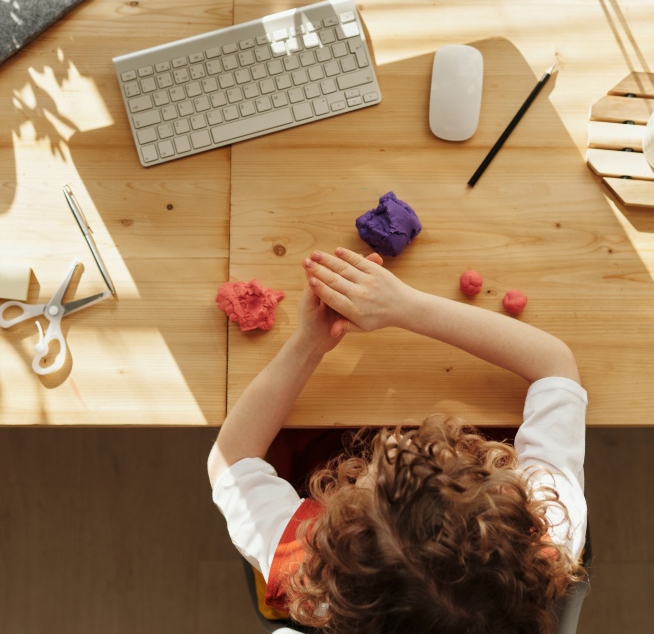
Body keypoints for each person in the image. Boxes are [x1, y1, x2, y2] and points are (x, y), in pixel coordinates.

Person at [208, 246, 588, 634]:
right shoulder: (544, 532)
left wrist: (309, 342)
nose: (397, 443)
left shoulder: (308, 564)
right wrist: (405, 306)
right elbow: (554, 366)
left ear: (338, 536)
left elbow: (231, 460)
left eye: (374, 477)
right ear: (506, 508)